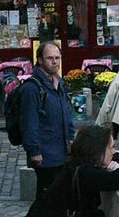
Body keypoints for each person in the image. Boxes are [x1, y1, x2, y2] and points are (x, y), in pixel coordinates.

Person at [21, 41, 75, 217]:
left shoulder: (59, 83)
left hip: (62, 152)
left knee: (56, 199)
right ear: (40, 60)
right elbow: (30, 122)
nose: (55, 62)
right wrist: (34, 151)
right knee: (47, 199)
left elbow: (67, 114)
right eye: (50, 58)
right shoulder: (33, 87)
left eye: (57, 58)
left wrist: (72, 139)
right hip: (45, 155)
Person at [43, 125, 119, 217]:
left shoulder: (78, 164)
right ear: (98, 151)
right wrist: (118, 168)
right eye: (111, 147)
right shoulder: (87, 173)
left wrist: (115, 161)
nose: (114, 152)